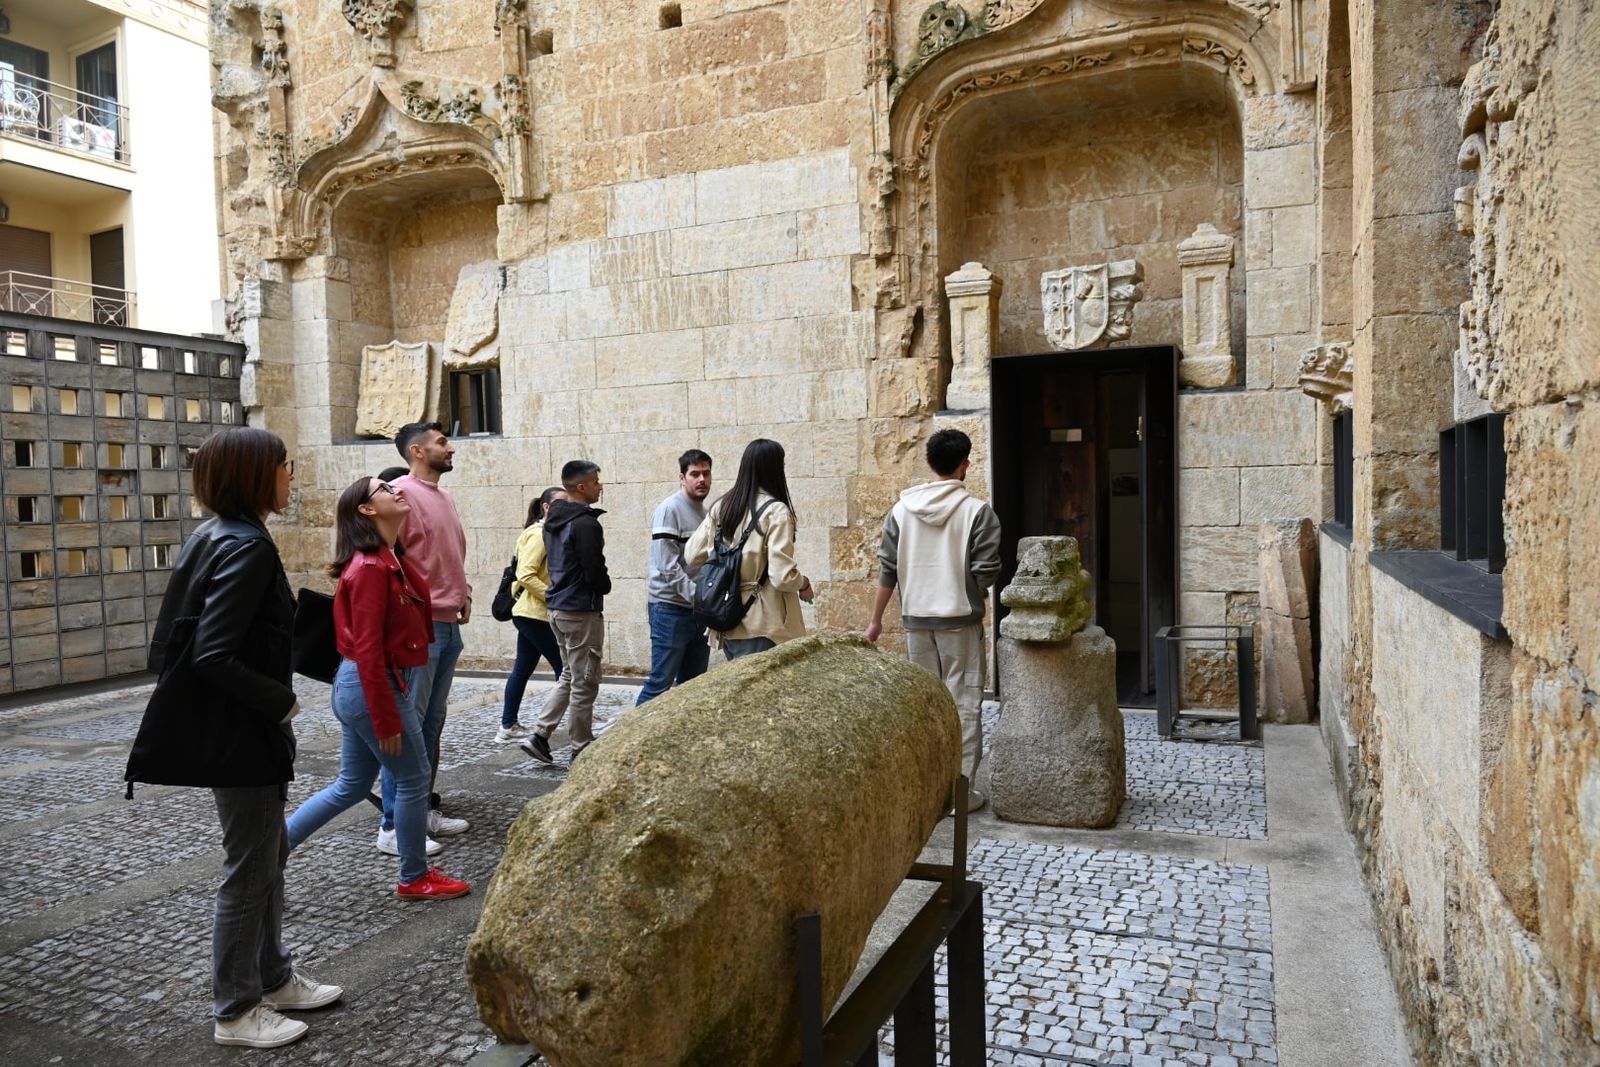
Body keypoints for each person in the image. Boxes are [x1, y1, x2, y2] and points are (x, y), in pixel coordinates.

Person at [124, 427, 342, 1050]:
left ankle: (273, 978)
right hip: (242, 732)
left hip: (239, 729)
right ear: (255, 474)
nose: (290, 475)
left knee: (268, 854)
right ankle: (237, 1009)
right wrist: (282, 701)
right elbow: (211, 653)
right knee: (249, 867)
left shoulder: (217, 535)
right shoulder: (244, 546)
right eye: (284, 464)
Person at [285, 476, 471, 900]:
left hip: (365, 686)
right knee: (413, 777)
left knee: (351, 785)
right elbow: (367, 648)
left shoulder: (388, 559)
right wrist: (386, 717)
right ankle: (414, 877)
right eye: (384, 489)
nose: (396, 490)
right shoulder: (370, 567)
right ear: (367, 510)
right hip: (371, 685)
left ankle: (270, 852)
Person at [865, 428, 1002, 811]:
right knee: (964, 706)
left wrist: (875, 620)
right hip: (960, 621)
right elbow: (986, 571)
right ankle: (960, 796)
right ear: (965, 464)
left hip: (916, 622)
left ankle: (928, 793)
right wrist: (967, 591)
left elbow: (887, 569)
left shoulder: (901, 510)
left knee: (924, 707)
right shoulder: (978, 512)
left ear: (929, 463)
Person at [377, 422, 472, 849]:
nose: (450, 448)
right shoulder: (400, 495)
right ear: (417, 451)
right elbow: (385, 560)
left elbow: (450, 555)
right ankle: (393, 826)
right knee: (409, 725)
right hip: (419, 628)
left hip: (448, 625)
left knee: (432, 724)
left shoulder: (445, 497)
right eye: (442, 442)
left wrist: (464, 592)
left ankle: (421, 813)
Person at [686, 438, 814, 659]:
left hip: (727, 618)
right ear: (775, 468)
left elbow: (691, 555)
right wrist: (804, 584)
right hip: (765, 624)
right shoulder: (776, 511)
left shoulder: (722, 506)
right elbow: (782, 576)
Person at [519, 460, 609, 765]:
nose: (600, 487)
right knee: (585, 680)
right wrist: (604, 585)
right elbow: (593, 569)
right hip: (579, 610)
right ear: (581, 487)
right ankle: (580, 747)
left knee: (570, 674)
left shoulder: (555, 520)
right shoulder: (585, 523)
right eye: (595, 482)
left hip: (559, 607)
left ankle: (539, 735)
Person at [635, 449, 714, 705]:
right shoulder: (669, 509)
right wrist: (698, 597)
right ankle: (636, 731)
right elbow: (667, 565)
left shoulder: (705, 513)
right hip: (669, 608)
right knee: (660, 683)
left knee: (692, 685)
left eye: (706, 474)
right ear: (682, 477)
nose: (701, 479)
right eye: (695, 474)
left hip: (698, 611)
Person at [497, 486, 566, 741]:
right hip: (533, 613)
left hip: (532, 612)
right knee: (566, 669)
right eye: (561, 503)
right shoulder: (539, 534)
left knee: (523, 668)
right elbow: (526, 575)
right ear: (546, 507)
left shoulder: (548, 532)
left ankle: (507, 726)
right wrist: (553, 596)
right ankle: (581, 718)